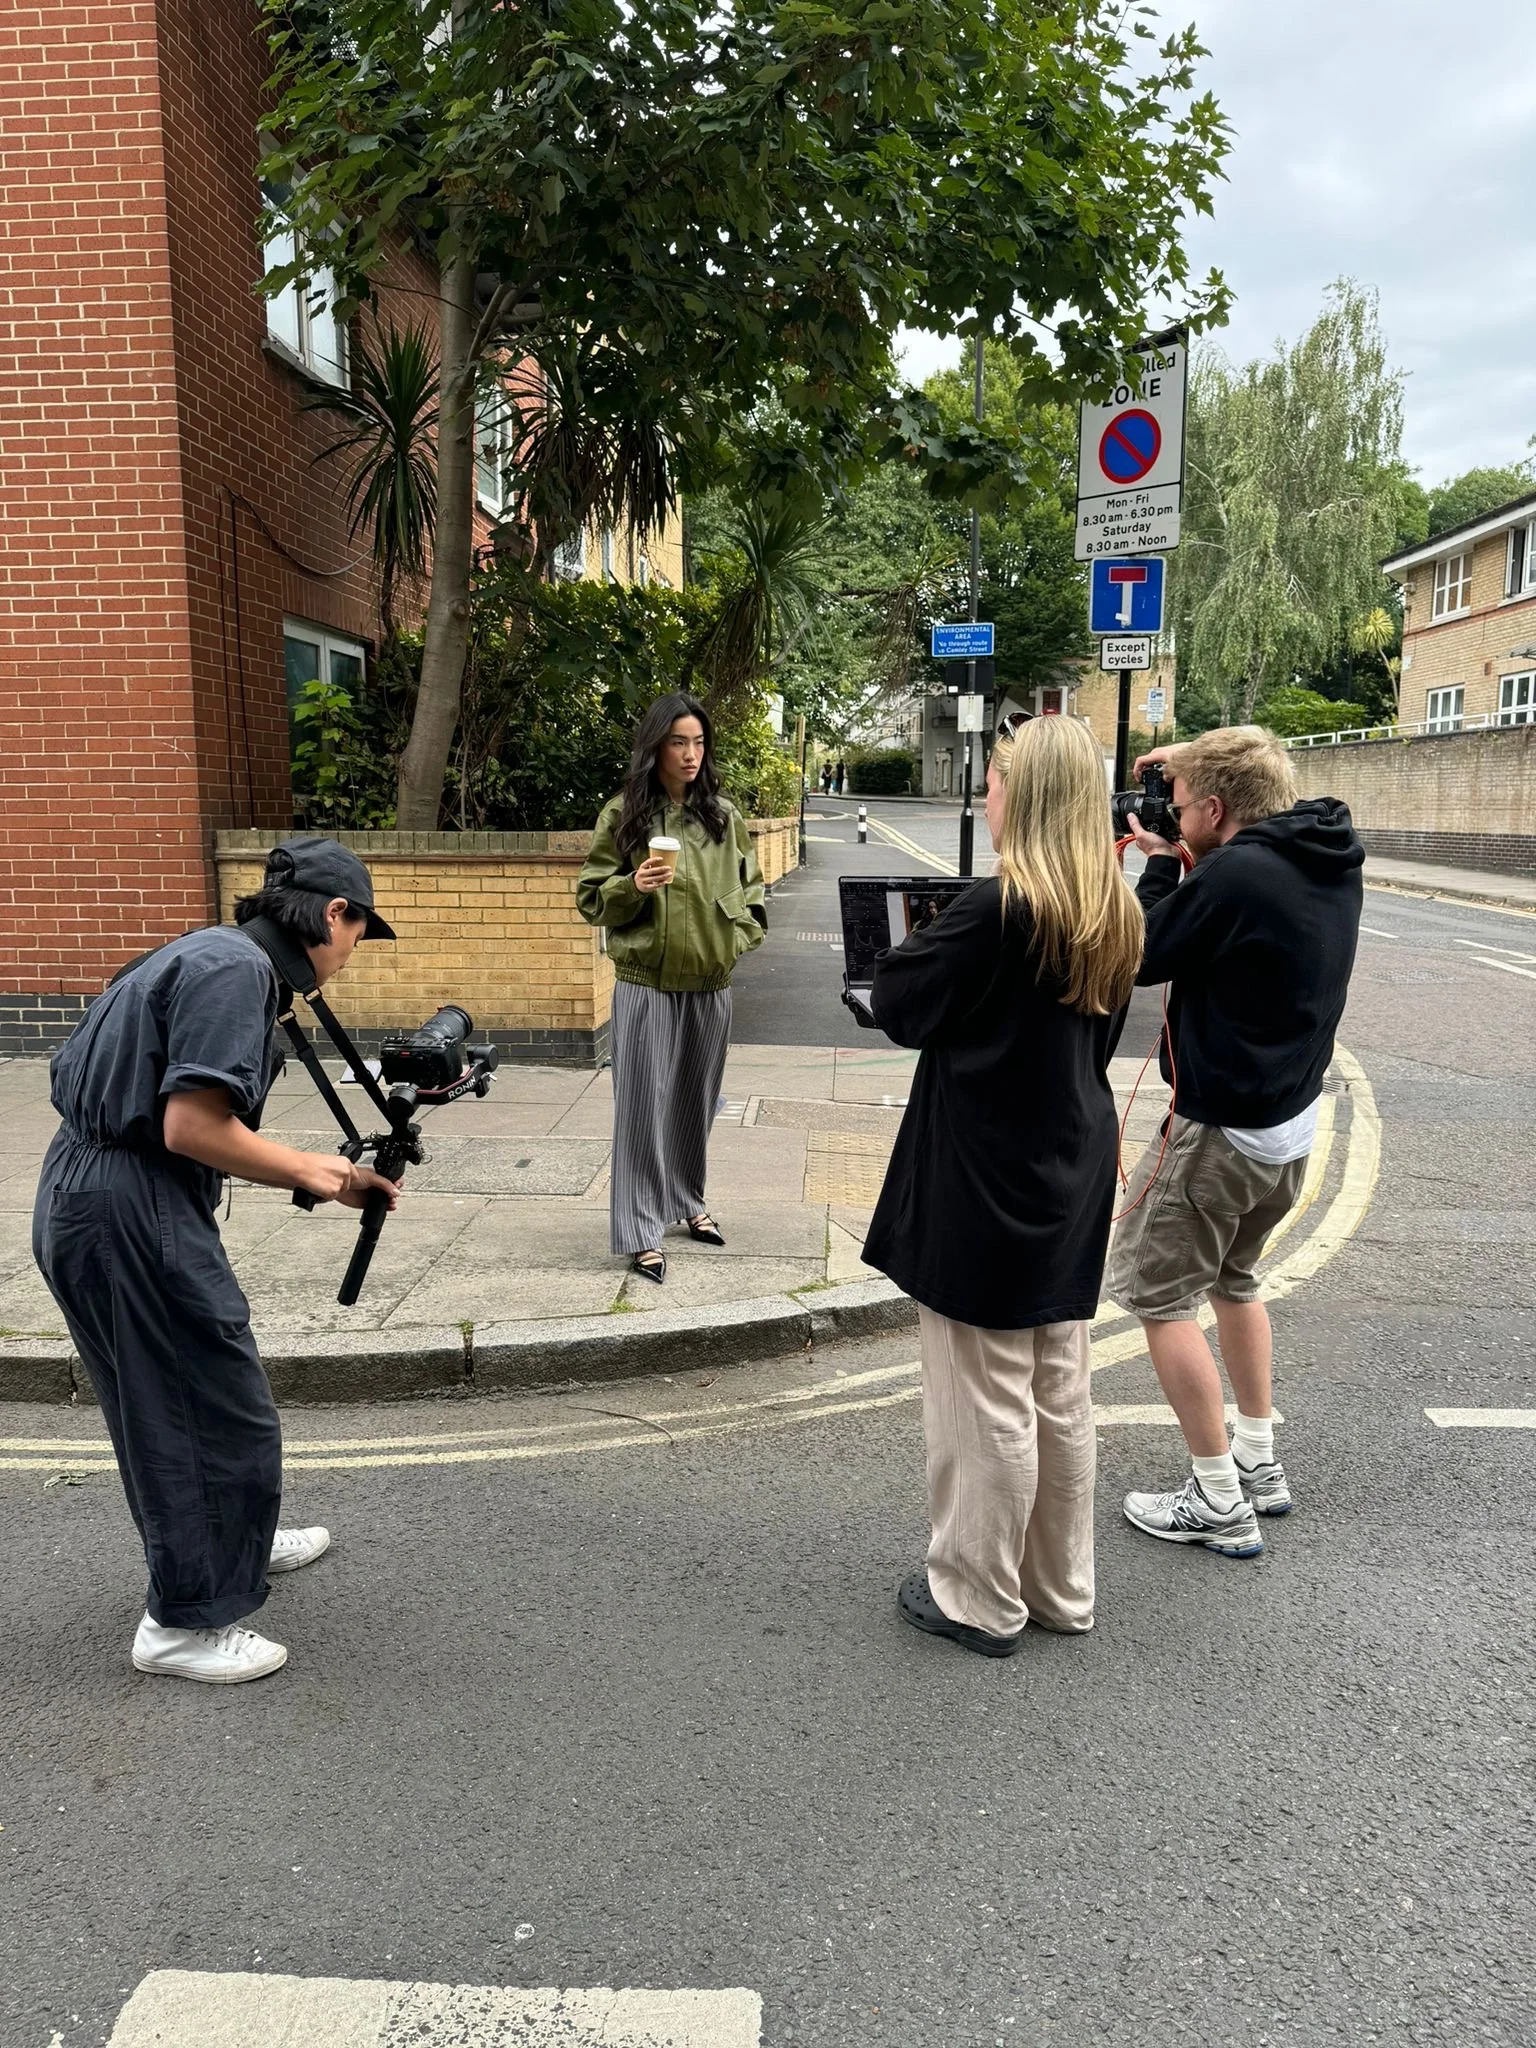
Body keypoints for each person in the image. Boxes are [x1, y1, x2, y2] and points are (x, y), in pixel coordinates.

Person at [32, 838, 402, 1684]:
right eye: (356, 934)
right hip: (129, 1205)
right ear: (333, 914)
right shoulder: (237, 976)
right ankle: (184, 1626)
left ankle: (235, 1537)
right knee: (209, 1407)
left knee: (176, 1397)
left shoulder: (205, 950)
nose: (350, 956)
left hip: (94, 1188)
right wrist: (322, 1172)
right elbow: (190, 1127)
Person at [862, 715, 1144, 1658]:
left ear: (1026, 797)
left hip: (986, 1169)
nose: (986, 793)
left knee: (982, 1392)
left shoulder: (1000, 907)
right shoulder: (1114, 908)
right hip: (1070, 1164)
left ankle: (979, 1598)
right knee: (1058, 1385)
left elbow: (899, 1000)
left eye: (995, 780)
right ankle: (1060, 1587)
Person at [1111, 725, 1364, 1556]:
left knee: (1156, 1296)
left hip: (1221, 1134)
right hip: (1290, 1132)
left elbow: (1141, 955)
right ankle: (1257, 1460)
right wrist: (1187, 840)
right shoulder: (1323, 854)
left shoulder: (1238, 871)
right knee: (1236, 1280)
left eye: (1179, 806)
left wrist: (1154, 862)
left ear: (1216, 808)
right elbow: (1235, 933)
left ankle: (1217, 1497)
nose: (1169, 815)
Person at [577, 693, 767, 1285]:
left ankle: (688, 1200)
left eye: (699, 742)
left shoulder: (723, 816)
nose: (690, 754)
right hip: (645, 983)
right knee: (641, 1108)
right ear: (655, 747)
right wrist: (633, 885)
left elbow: (752, 891)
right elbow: (590, 897)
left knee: (693, 1102)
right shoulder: (624, 815)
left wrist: (737, 939)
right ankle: (640, 1231)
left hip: (711, 984)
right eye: (678, 742)